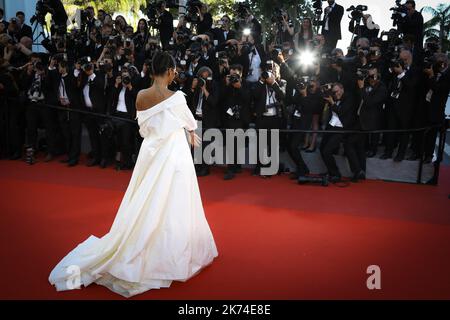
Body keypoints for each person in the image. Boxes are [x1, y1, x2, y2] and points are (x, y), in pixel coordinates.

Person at [49, 51, 218, 298]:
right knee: (176, 201)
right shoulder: (178, 98)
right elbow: (190, 123)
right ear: (170, 71)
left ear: (152, 71)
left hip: (150, 153)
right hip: (173, 155)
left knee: (145, 200)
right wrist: (190, 132)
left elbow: (144, 128)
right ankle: (172, 250)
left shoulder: (140, 95)